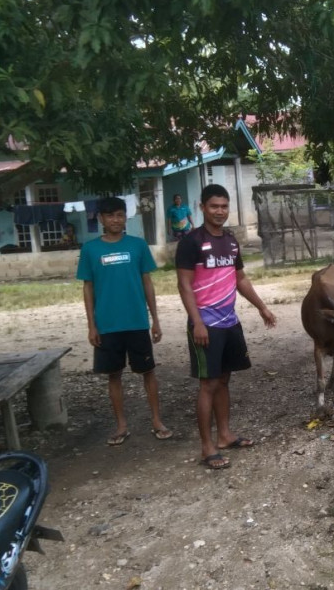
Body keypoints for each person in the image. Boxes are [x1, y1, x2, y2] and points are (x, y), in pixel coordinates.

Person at [176, 184, 277, 470]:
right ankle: (207, 447)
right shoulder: (191, 242)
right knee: (207, 384)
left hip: (230, 321)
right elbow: (184, 284)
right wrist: (197, 322)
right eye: (214, 206)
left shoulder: (231, 241)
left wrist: (261, 307)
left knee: (223, 380)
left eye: (224, 206)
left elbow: (240, 278)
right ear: (202, 207)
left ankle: (224, 435)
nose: (219, 211)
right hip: (205, 324)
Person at [77, 196, 173, 445]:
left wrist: (155, 320)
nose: (115, 220)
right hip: (107, 325)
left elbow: (147, 282)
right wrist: (92, 325)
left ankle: (157, 420)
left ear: (125, 217)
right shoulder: (90, 249)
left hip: (137, 322)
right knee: (114, 375)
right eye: (110, 215)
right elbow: (88, 288)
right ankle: (121, 425)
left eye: (120, 215)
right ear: (101, 219)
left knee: (148, 372)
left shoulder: (137, 245)